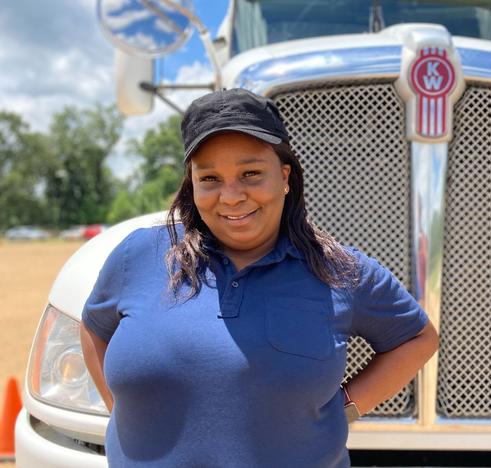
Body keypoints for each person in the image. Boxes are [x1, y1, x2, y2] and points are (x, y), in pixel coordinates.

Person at [80, 88, 440, 467]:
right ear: (191, 182)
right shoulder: (139, 255)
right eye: (210, 178)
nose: (231, 196)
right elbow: (93, 327)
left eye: (251, 173)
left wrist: (346, 407)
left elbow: (418, 337)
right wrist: (125, 412)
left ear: (284, 176)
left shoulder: (339, 270)